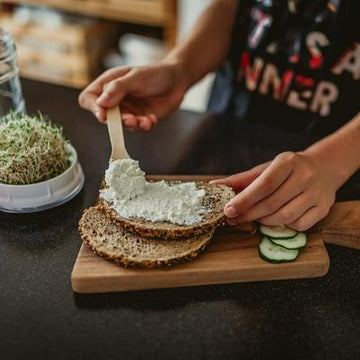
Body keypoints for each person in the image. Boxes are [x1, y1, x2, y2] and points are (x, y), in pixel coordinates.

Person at [79, 0, 360, 231]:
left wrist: (331, 163)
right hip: (227, 125)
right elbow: (228, 7)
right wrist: (180, 69)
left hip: (340, 155)